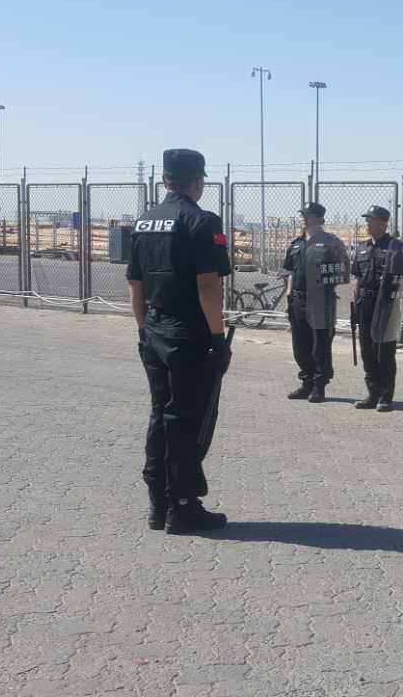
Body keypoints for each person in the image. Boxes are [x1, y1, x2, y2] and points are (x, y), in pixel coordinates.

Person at [126, 148, 231, 534]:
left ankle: (159, 503)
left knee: (161, 415)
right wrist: (218, 338)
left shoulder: (144, 221)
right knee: (186, 420)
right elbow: (208, 285)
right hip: (189, 336)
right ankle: (183, 506)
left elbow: (135, 285)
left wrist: (143, 331)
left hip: (154, 331)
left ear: (165, 180)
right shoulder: (202, 221)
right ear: (198, 182)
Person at [283, 202, 348, 403]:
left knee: (320, 346)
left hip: (321, 301)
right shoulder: (296, 243)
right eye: (303, 214)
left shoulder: (332, 243)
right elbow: (291, 272)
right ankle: (307, 383)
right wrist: (289, 296)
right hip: (298, 300)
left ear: (319, 218)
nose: (304, 218)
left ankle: (319, 386)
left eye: (308, 215)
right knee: (300, 345)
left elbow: (343, 272)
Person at [350, 205, 403, 412]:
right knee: (367, 351)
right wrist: (355, 301)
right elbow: (357, 277)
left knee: (384, 352)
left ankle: (385, 396)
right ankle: (372, 393)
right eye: (367, 220)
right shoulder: (362, 247)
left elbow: (399, 278)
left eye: (370, 220)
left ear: (383, 223)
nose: (367, 223)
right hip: (365, 303)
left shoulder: (395, 247)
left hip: (385, 304)